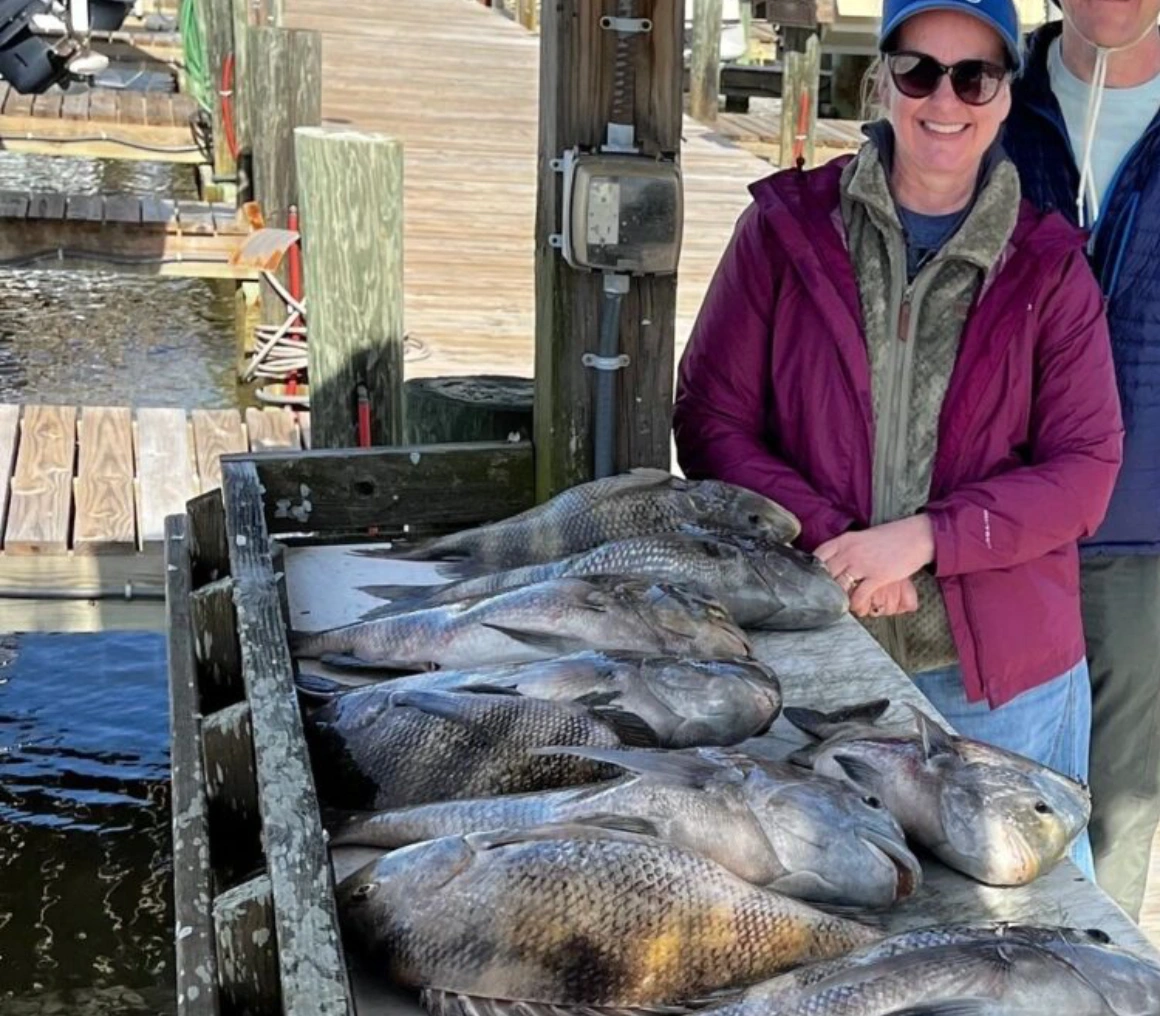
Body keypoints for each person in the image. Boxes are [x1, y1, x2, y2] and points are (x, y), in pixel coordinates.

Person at [672, 0, 1124, 877]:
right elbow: (710, 417)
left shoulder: (1050, 266)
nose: (943, 100)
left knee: (1022, 921)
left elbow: (1085, 471)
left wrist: (923, 540)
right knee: (820, 900)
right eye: (918, 71)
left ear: (1005, 94)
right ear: (881, 80)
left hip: (1000, 684)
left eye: (974, 76)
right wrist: (840, 546)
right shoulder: (784, 227)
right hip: (815, 649)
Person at [1002, 0, 1160, 919]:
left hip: (1144, 537)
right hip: (988, 522)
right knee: (977, 800)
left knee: (1121, 817)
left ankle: (1099, 975)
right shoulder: (979, 97)